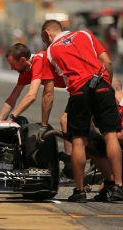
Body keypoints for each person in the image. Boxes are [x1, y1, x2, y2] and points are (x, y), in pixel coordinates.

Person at [42, 19, 123, 202]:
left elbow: (50, 90)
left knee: (79, 140)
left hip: (79, 91)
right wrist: (107, 86)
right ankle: (118, 186)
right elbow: (107, 62)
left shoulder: (51, 51)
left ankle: (79, 191)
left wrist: (44, 122)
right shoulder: (85, 34)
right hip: (102, 85)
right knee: (111, 134)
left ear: (47, 35)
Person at [0, 43, 65, 130]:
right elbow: (12, 98)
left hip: (81, 82)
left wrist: (11, 117)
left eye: (13, 65)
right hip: (72, 86)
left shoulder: (39, 60)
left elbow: (33, 96)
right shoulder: (25, 69)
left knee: (65, 122)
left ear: (22, 60)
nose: (11, 68)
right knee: (65, 122)